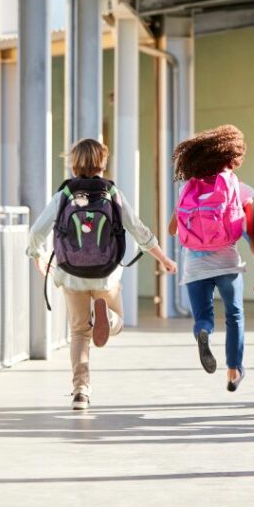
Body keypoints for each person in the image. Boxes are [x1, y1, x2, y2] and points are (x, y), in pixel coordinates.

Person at [27, 138, 178, 411]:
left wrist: (36, 256)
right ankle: (107, 317)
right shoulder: (111, 192)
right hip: (106, 274)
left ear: (74, 163)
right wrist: (164, 259)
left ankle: (80, 392)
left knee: (79, 333)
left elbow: (38, 230)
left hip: (71, 274)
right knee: (116, 321)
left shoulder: (65, 194)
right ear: (103, 162)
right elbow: (138, 229)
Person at [169, 125, 254, 392]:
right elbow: (252, 233)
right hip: (227, 262)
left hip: (194, 264)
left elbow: (172, 229)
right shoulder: (241, 188)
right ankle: (234, 369)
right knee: (234, 315)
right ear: (231, 157)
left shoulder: (189, 188)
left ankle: (204, 332)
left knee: (203, 316)